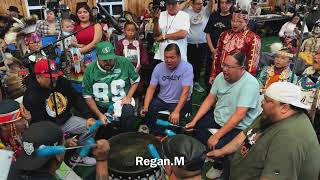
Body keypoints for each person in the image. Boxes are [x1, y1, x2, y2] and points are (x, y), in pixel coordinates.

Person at [207, 82, 320, 180]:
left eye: (267, 100)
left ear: (284, 108)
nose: (261, 102)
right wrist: (221, 151)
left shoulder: (290, 138)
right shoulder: (271, 114)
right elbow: (246, 134)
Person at [8, 121, 110, 180]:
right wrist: (102, 159)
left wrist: (65, 144)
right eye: (63, 142)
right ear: (58, 155)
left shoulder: (10, 170)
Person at [23, 58, 96, 136]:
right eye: (49, 77)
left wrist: (88, 116)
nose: (54, 79)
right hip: (47, 129)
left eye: (55, 75)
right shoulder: (31, 95)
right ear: (38, 77)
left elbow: (76, 98)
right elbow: (36, 123)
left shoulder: (62, 81)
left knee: (92, 127)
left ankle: (82, 147)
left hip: (65, 121)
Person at [83, 42, 140, 132]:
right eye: (104, 60)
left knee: (129, 115)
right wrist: (99, 115)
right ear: (97, 57)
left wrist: (128, 96)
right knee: (101, 132)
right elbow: (87, 96)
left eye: (111, 59)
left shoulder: (124, 62)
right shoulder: (90, 70)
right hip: (101, 105)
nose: (108, 63)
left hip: (121, 102)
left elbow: (136, 80)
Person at [141, 44, 193, 132]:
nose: (168, 60)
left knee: (174, 126)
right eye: (166, 57)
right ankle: (155, 134)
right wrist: (146, 107)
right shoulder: (158, 67)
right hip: (162, 99)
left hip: (179, 101)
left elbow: (186, 91)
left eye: (172, 57)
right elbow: (151, 88)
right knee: (148, 117)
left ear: (179, 56)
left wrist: (176, 111)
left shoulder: (187, 68)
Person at [209, 8, 261, 84]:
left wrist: (247, 81)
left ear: (246, 22)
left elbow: (252, 63)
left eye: (239, 22)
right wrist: (213, 74)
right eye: (233, 21)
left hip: (239, 78)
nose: (235, 24)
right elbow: (217, 56)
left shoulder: (253, 38)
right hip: (221, 74)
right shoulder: (224, 34)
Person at [183, 0, 214, 93]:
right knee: (188, 64)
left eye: (201, 3)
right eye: (197, 3)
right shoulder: (186, 12)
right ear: (192, 4)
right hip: (188, 43)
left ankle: (195, 82)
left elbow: (211, 4)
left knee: (199, 64)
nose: (199, 6)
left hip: (202, 43)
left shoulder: (205, 11)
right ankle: (187, 83)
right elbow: (178, 9)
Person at [203, 0, 233, 91]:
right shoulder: (214, 15)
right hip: (211, 51)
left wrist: (221, 51)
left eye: (227, 3)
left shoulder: (233, 18)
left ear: (231, 4)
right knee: (208, 73)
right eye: (222, 3)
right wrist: (212, 49)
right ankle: (209, 93)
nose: (224, 5)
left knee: (222, 74)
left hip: (225, 53)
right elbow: (207, 33)